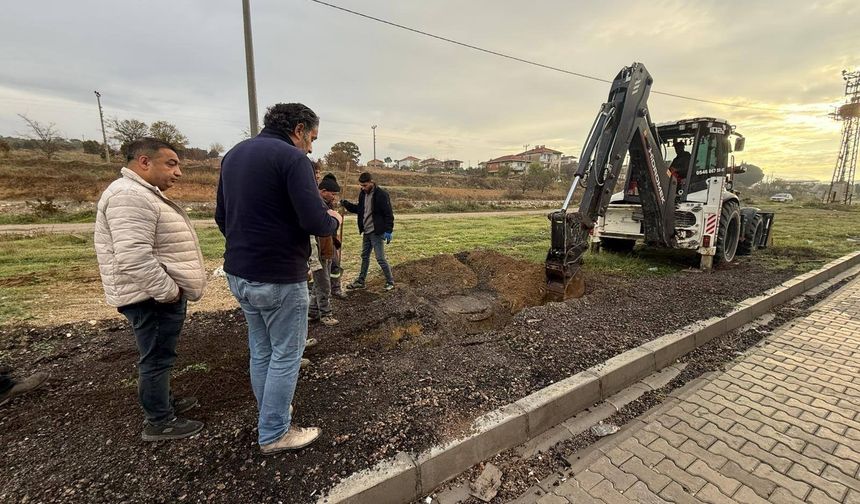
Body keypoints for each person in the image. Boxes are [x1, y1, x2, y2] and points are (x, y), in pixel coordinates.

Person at [215, 102, 342, 455]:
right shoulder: (292, 159)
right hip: (279, 276)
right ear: (299, 129)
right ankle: (274, 432)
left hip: (240, 273)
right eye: (312, 137)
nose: (312, 147)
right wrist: (333, 218)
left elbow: (221, 217)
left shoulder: (234, 155)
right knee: (287, 353)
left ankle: (271, 411)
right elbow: (315, 222)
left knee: (261, 350)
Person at [94, 138, 207, 441]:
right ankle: (159, 421)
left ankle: (163, 402)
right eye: (171, 163)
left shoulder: (139, 193)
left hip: (152, 295)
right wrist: (168, 292)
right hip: (151, 297)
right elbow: (133, 256)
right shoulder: (129, 196)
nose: (178, 172)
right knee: (156, 358)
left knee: (160, 354)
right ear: (144, 162)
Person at [342, 172, 395, 291]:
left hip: (377, 232)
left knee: (380, 258)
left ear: (371, 182)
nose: (363, 188)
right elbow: (359, 209)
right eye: (361, 185)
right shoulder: (362, 194)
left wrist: (388, 230)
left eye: (365, 185)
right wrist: (346, 205)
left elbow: (388, 214)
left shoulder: (381, 195)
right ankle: (361, 281)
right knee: (364, 256)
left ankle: (390, 282)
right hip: (366, 231)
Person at [309, 175, 341, 326]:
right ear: (322, 191)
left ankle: (313, 312)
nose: (334, 197)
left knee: (319, 283)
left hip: (328, 249)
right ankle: (326, 314)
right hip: (319, 250)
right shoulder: (317, 206)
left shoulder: (327, 205)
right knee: (324, 284)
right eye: (332, 194)